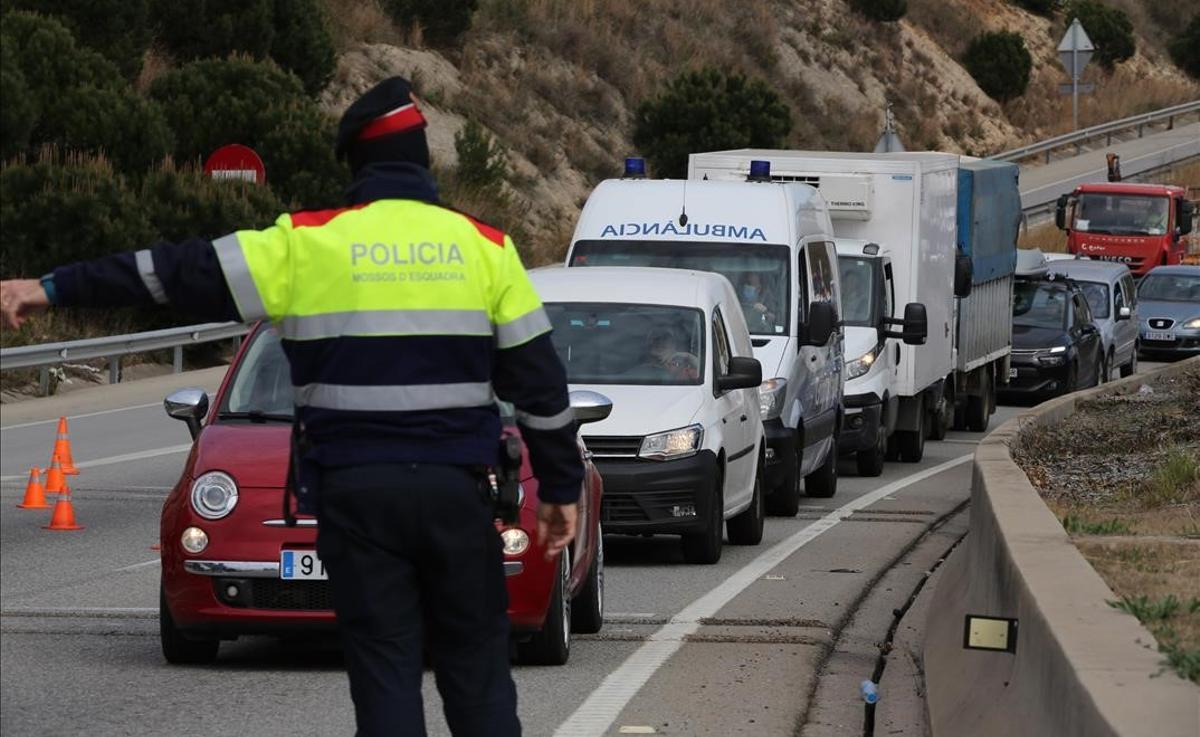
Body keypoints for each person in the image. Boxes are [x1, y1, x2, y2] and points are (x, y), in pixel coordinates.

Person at [0, 77, 583, 737]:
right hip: (457, 492)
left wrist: (48, 287)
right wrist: (560, 487)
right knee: (476, 671)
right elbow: (540, 385)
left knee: (387, 665)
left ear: (356, 163)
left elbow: (171, 271)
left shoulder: (306, 243)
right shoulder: (486, 247)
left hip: (356, 498)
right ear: (422, 160)